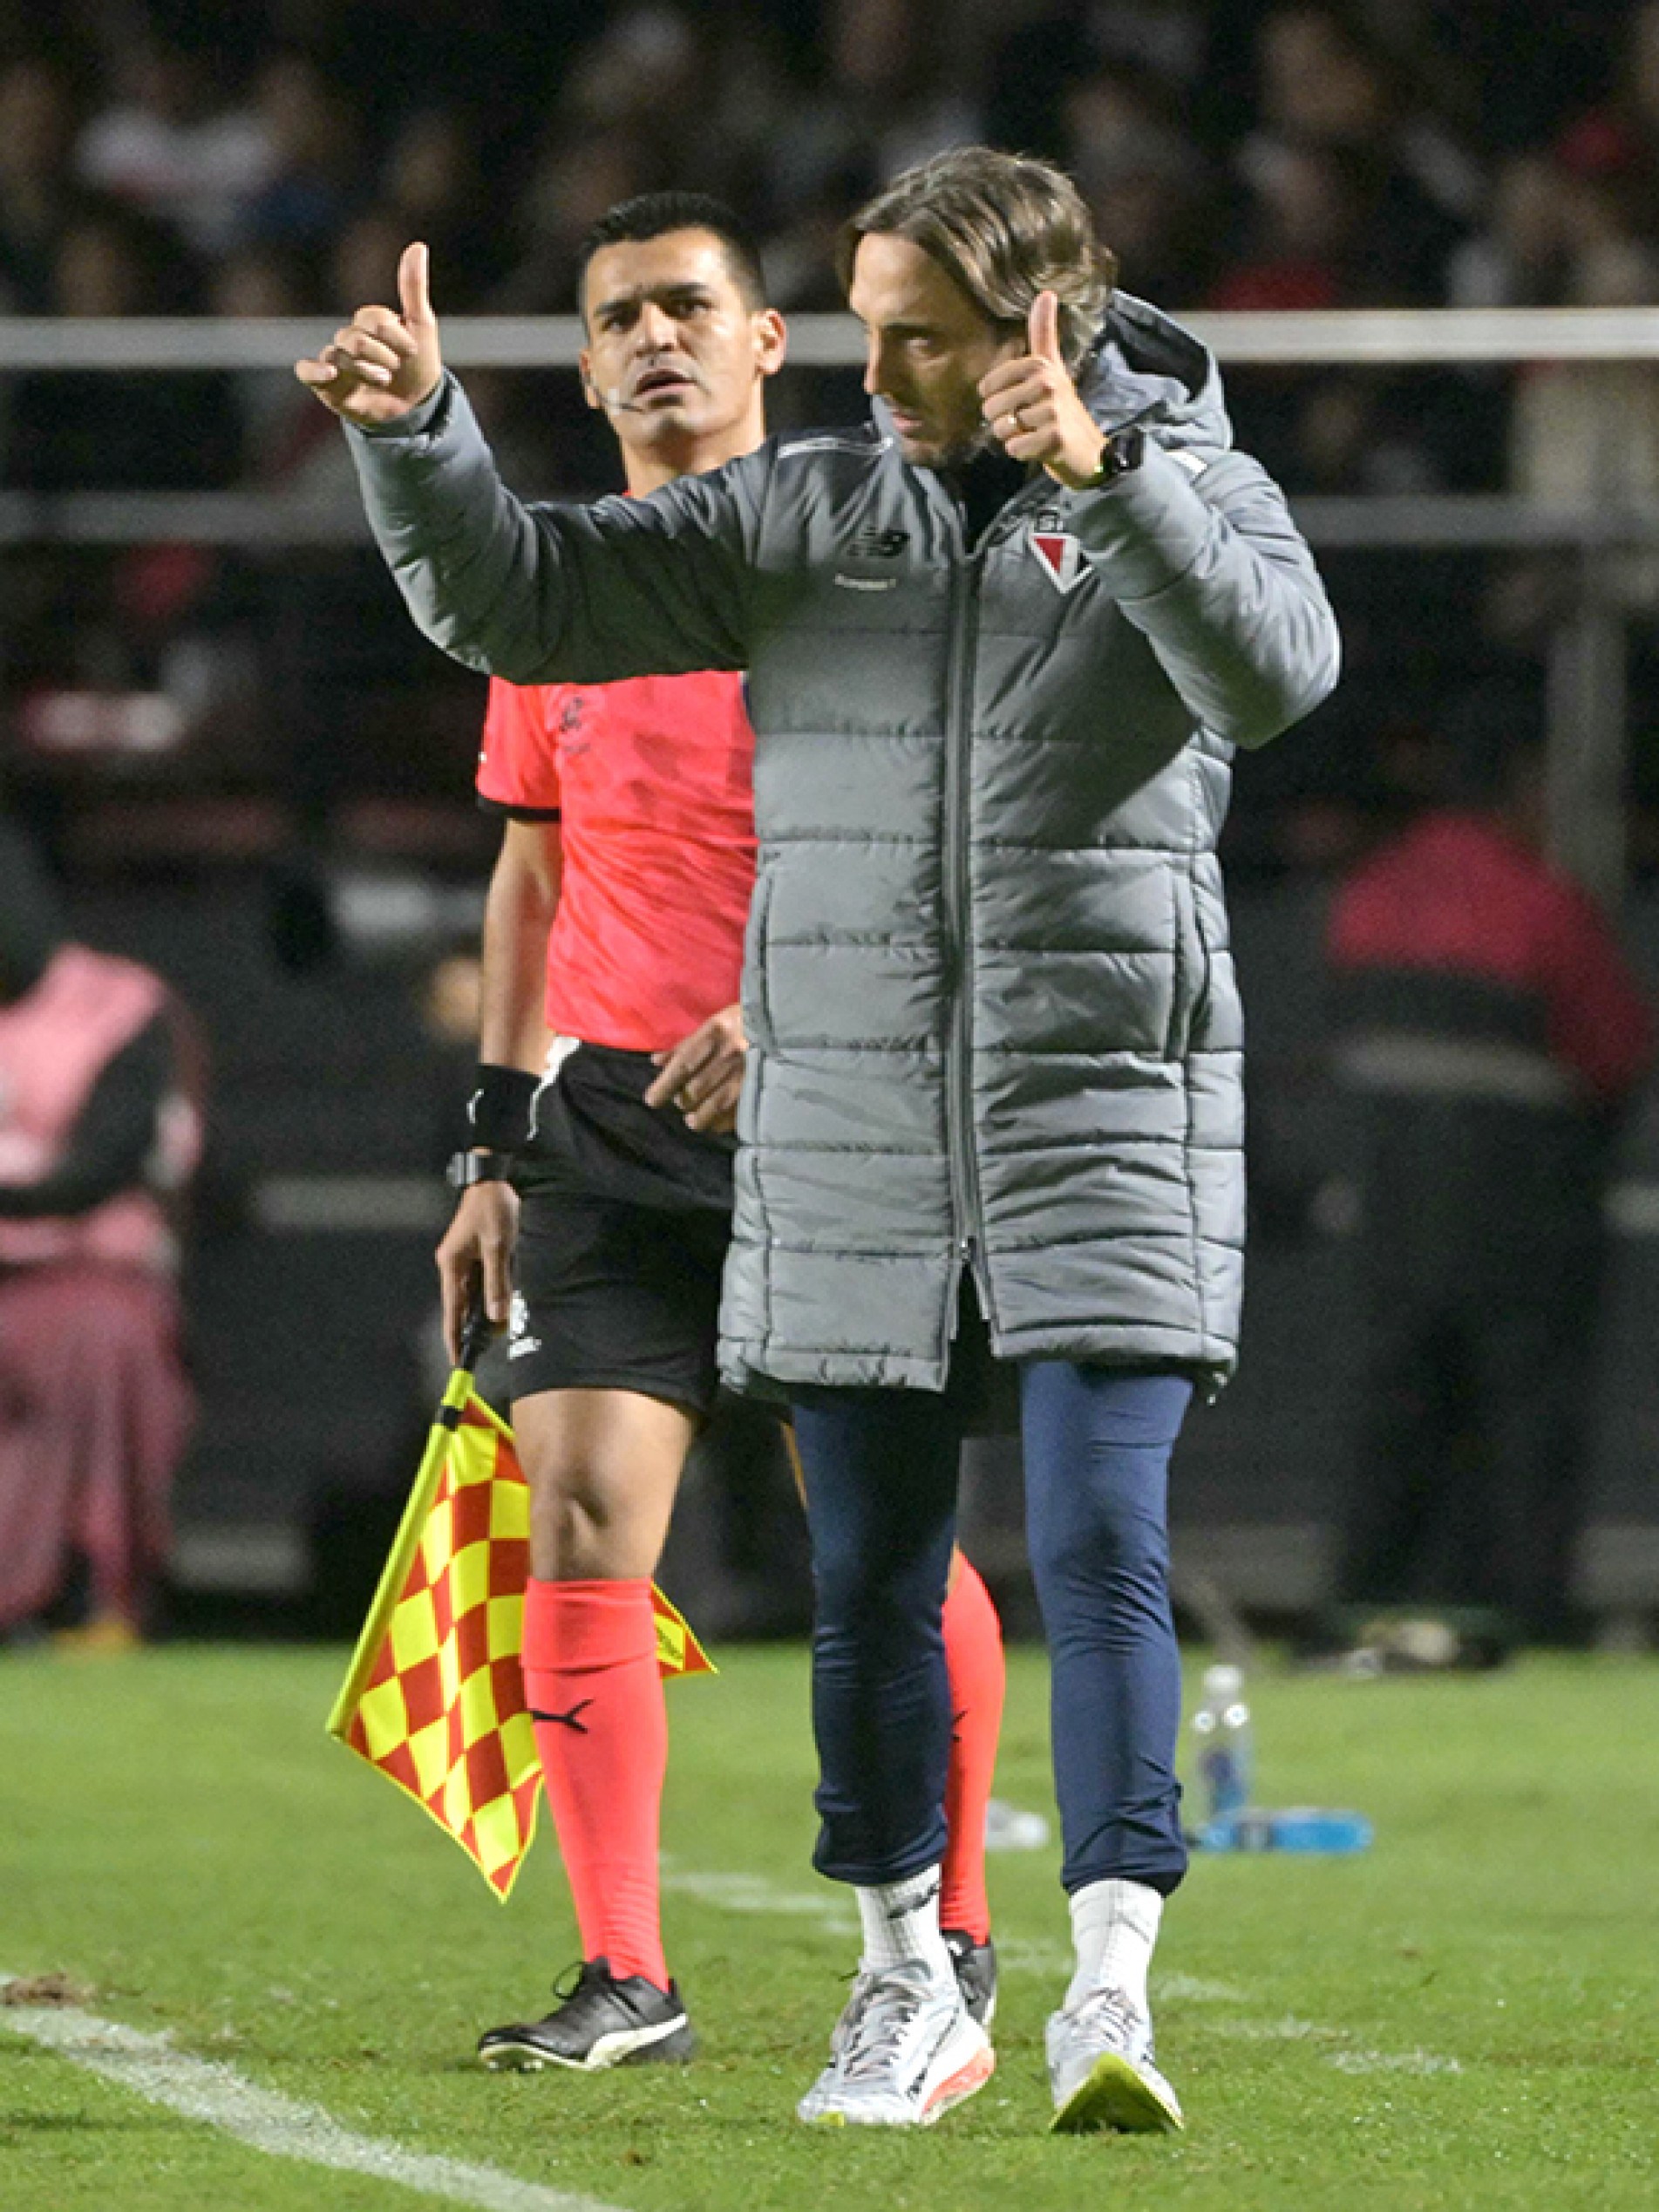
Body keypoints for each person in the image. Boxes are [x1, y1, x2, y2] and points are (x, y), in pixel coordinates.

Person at [298, 144, 1340, 2134]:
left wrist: (1106, 490)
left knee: (1093, 1535)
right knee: (844, 1552)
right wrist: (420, 435)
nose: (876, 376)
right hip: (797, 1115)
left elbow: (1272, 680)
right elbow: (511, 597)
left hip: (1077, 1105)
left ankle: (1096, 1975)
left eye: (913, 340)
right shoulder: (801, 517)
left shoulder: (1186, 488)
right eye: (865, 334)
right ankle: (876, 1978)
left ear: (1029, 329)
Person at [422, 192, 1005, 2073]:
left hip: (834, 1100)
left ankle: (960, 1932)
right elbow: (531, 870)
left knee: (881, 1530)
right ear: (588, 370)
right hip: (601, 1117)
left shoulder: (854, 556)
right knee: (580, 1519)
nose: (656, 336)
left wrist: (802, 1000)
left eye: (691, 304)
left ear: (774, 344)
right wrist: (492, 1145)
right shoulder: (556, 589)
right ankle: (627, 1976)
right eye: (619, 317)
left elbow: (958, 836)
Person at [1325, 712, 1652, 1647]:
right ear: (1516, 795)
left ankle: (1359, 1608)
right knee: (1527, 1425)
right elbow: (1613, 1048)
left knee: (1390, 1416)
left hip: (1393, 1208)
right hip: (1525, 1212)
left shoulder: (1371, 896)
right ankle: (1527, 1620)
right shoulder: (1540, 904)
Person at [0, 824, 200, 1648]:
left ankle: (77, 1590)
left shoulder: (118, 1007)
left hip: (83, 1267)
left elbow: (107, 1161)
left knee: (89, 1336)